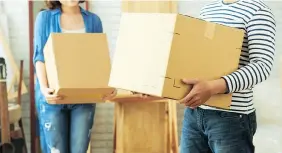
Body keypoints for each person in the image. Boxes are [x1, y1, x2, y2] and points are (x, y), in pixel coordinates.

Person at [180, 0, 276, 153]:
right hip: (195, 113)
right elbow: (197, 57)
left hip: (231, 118)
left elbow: (262, 66)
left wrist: (213, 87)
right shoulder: (208, 10)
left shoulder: (258, 11)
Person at [33, 1, 116, 153]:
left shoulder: (93, 20)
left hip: (83, 98)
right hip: (53, 98)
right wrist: (44, 89)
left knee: (79, 150)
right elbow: (39, 57)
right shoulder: (44, 18)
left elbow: (99, 57)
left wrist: (107, 86)